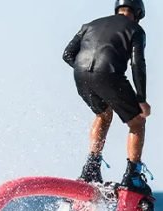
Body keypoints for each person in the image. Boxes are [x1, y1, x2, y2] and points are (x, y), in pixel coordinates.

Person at [63, 0, 152, 194]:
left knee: (103, 114)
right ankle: (133, 176)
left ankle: (91, 168)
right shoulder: (135, 30)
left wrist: (86, 71)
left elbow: (67, 54)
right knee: (137, 121)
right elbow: (138, 64)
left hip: (80, 75)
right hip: (109, 75)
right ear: (138, 13)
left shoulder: (89, 25)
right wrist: (141, 98)